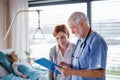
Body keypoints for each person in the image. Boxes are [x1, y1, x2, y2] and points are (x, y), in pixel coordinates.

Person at [56, 12, 108, 80]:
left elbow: (99, 73)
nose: (72, 32)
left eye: (73, 28)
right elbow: (82, 66)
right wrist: (69, 66)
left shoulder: (97, 41)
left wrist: (71, 71)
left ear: (82, 24)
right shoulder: (79, 41)